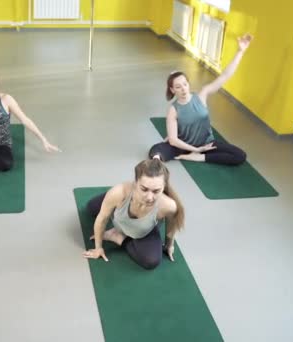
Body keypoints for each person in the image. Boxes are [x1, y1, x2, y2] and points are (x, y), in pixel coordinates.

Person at [148, 34, 253, 165]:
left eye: (185, 84)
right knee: (155, 150)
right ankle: (192, 155)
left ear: (188, 83)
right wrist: (195, 149)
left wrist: (240, 51)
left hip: (207, 145)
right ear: (172, 90)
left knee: (240, 156)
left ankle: (200, 158)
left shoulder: (202, 95)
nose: (183, 89)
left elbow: (225, 76)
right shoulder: (173, 110)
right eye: (178, 87)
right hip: (184, 146)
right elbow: (174, 140)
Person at [83, 159, 184, 270]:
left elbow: (172, 225)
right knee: (91, 208)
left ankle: (117, 236)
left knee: (151, 261)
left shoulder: (169, 206)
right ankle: (110, 202)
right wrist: (98, 248)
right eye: (144, 189)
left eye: (156, 191)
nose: (149, 197)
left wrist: (170, 245)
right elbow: (102, 218)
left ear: (164, 187)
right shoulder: (118, 192)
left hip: (143, 230)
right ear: (135, 183)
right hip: (120, 201)